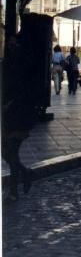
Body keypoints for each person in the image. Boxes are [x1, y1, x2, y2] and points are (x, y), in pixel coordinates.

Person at [2, 35, 35, 200]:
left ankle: (14, 191)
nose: (11, 46)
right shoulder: (9, 64)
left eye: (14, 44)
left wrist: (10, 104)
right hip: (9, 116)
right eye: (9, 44)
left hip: (19, 116)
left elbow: (24, 91)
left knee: (11, 153)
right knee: (6, 153)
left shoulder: (23, 66)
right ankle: (25, 173)